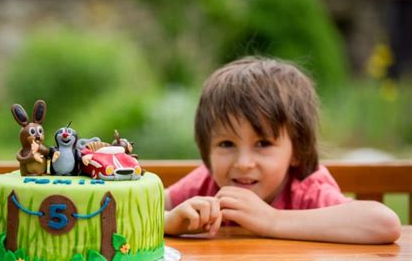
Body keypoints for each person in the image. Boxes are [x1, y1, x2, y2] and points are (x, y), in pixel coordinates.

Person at [164, 57, 401, 244]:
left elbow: (384, 223)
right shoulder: (206, 184)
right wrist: (166, 221)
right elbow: (132, 210)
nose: (243, 163)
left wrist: (272, 220)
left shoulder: (306, 191)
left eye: (263, 143)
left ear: (297, 150)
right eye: (226, 144)